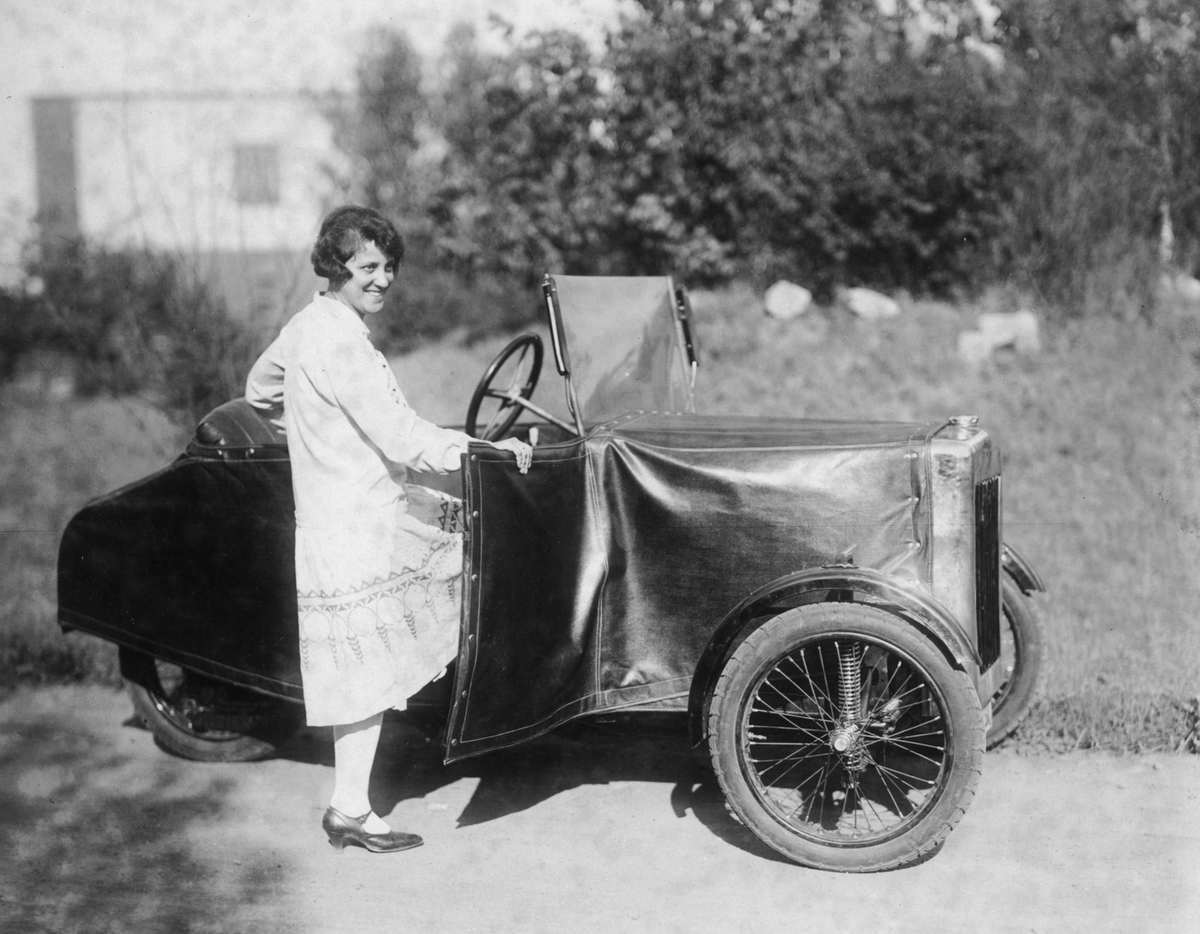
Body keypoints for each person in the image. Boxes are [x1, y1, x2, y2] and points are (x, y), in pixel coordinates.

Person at [245, 205, 532, 854]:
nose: (382, 279)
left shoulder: (306, 326)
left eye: (388, 266)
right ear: (335, 267)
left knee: (365, 664)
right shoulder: (342, 343)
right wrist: (481, 451)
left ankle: (351, 804)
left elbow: (258, 389)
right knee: (378, 656)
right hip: (360, 522)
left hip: (337, 515)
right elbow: (404, 438)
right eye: (367, 266)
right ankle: (356, 804)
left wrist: (311, 436)